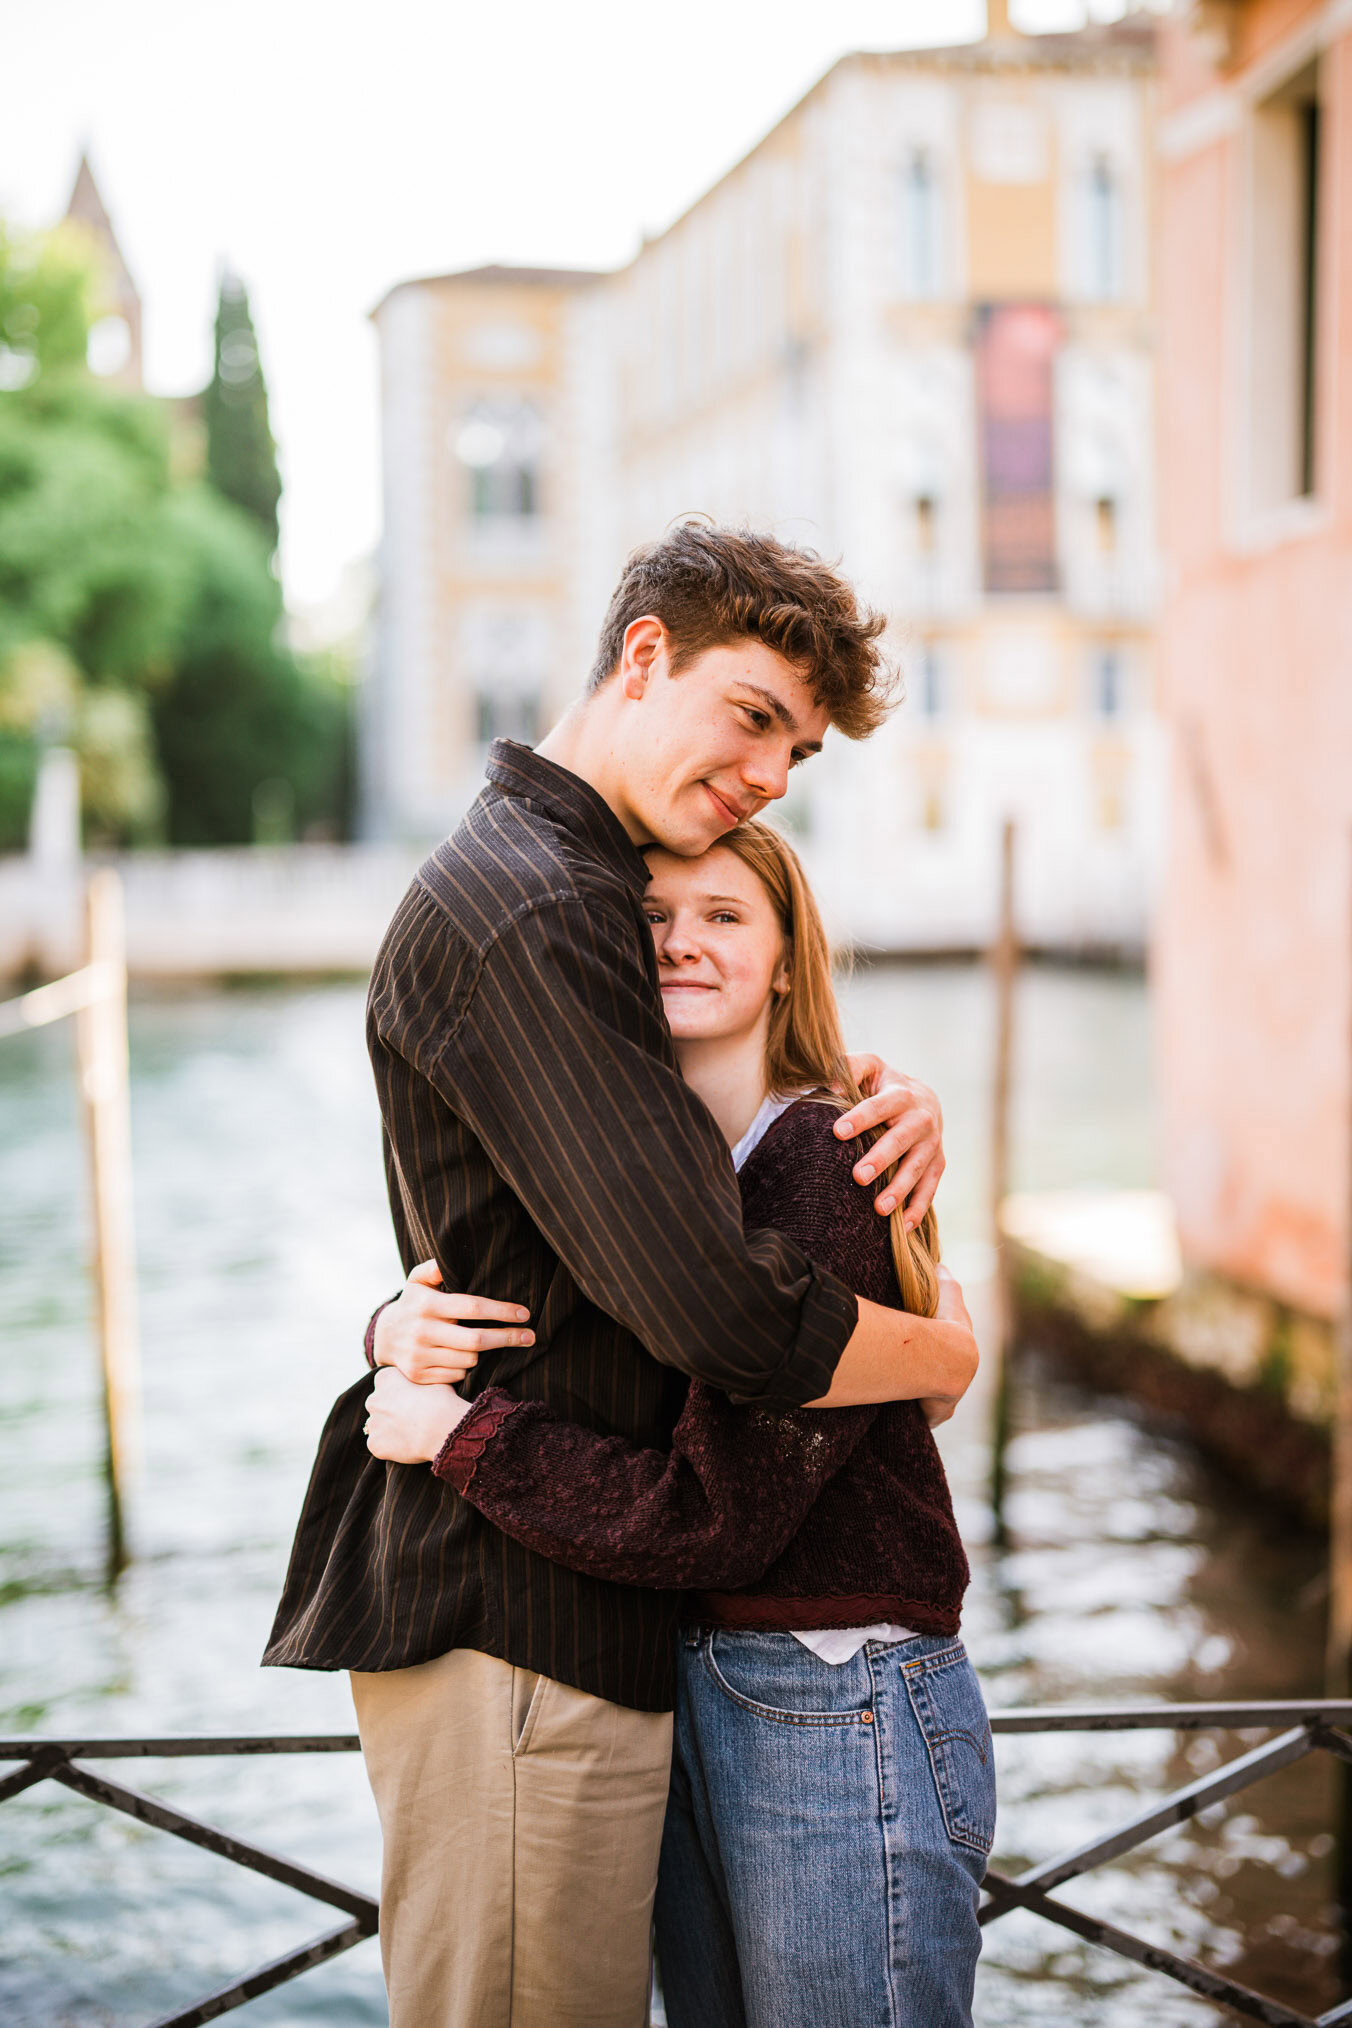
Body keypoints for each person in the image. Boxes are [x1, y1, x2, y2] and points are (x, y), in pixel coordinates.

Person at [264, 523, 978, 2028]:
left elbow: (555, 1206)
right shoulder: (540, 901)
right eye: (757, 716)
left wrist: (855, 1101)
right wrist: (940, 1353)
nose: (778, 771)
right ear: (644, 656)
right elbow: (717, 1310)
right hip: (516, 1620)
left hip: (606, 1624)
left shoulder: (580, 889)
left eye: (800, 750)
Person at [366, 820, 989, 2028]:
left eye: (722, 917)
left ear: (786, 962)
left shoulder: (826, 1158)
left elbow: (718, 1514)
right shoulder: (646, 1176)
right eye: (651, 919)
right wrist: (392, 1327)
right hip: (699, 1683)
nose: (680, 945)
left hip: (836, 1690)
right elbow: (527, 1309)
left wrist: (460, 1439)